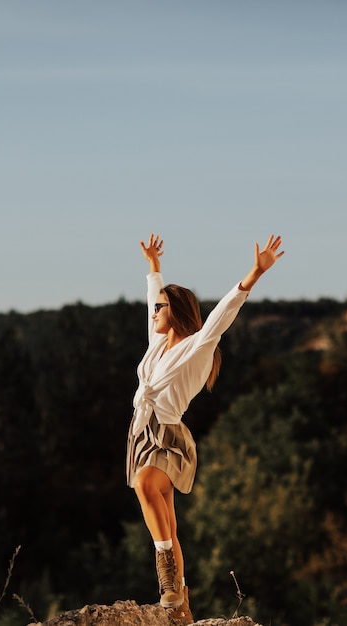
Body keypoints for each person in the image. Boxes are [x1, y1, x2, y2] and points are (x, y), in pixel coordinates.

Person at [126, 232, 284, 622]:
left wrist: (254, 274)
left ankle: (166, 575)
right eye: (155, 306)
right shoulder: (157, 346)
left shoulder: (197, 346)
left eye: (161, 308)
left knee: (148, 486)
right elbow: (153, 299)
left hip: (167, 436)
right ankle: (180, 603)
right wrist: (154, 269)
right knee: (167, 518)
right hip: (140, 434)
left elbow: (221, 315)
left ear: (176, 311)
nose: (153, 312)